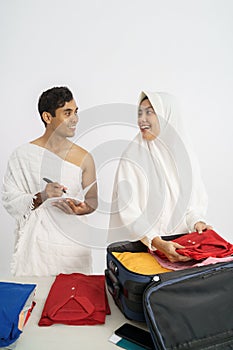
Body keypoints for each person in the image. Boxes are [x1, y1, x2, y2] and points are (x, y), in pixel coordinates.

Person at [2, 86, 98, 276]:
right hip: (36, 249)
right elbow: (9, 201)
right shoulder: (22, 155)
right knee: (36, 301)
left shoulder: (84, 157)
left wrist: (82, 208)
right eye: (67, 113)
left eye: (76, 112)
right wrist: (43, 195)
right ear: (48, 117)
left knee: (73, 300)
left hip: (73, 247)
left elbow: (93, 201)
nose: (75, 119)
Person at [109, 91, 212, 263]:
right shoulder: (133, 157)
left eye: (149, 112)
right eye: (139, 113)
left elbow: (192, 204)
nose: (142, 119)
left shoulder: (185, 155)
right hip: (142, 252)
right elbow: (129, 211)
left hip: (182, 250)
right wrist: (156, 241)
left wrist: (197, 223)